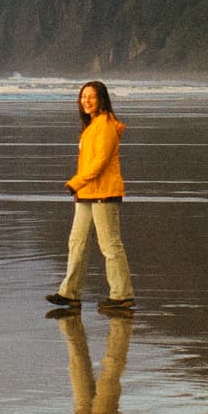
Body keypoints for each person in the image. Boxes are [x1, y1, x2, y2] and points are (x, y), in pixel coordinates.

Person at [47, 79, 133, 312]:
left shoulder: (105, 125)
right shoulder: (92, 126)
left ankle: (122, 295)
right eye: (83, 96)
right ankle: (70, 292)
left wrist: (76, 182)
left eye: (91, 96)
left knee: (110, 245)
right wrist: (80, 186)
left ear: (101, 99)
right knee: (77, 242)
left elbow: (100, 162)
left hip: (104, 192)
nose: (86, 100)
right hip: (86, 193)